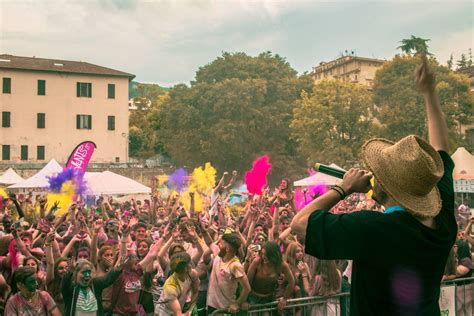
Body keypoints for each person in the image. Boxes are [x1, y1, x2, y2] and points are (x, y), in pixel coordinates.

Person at [291, 55, 456, 315]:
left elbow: (299, 225)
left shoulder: (373, 228)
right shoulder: (443, 219)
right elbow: (440, 150)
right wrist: (429, 93)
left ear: (388, 187)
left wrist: (343, 188)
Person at [206, 233, 251, 315]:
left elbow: (246, 288)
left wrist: (237, 303)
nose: (218, 245)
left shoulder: (235, 265)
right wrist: (203, 230)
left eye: (221, 243)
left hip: (225, 310)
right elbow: (210, 243)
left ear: (227, 249)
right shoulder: (218, 256)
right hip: (212, 306)